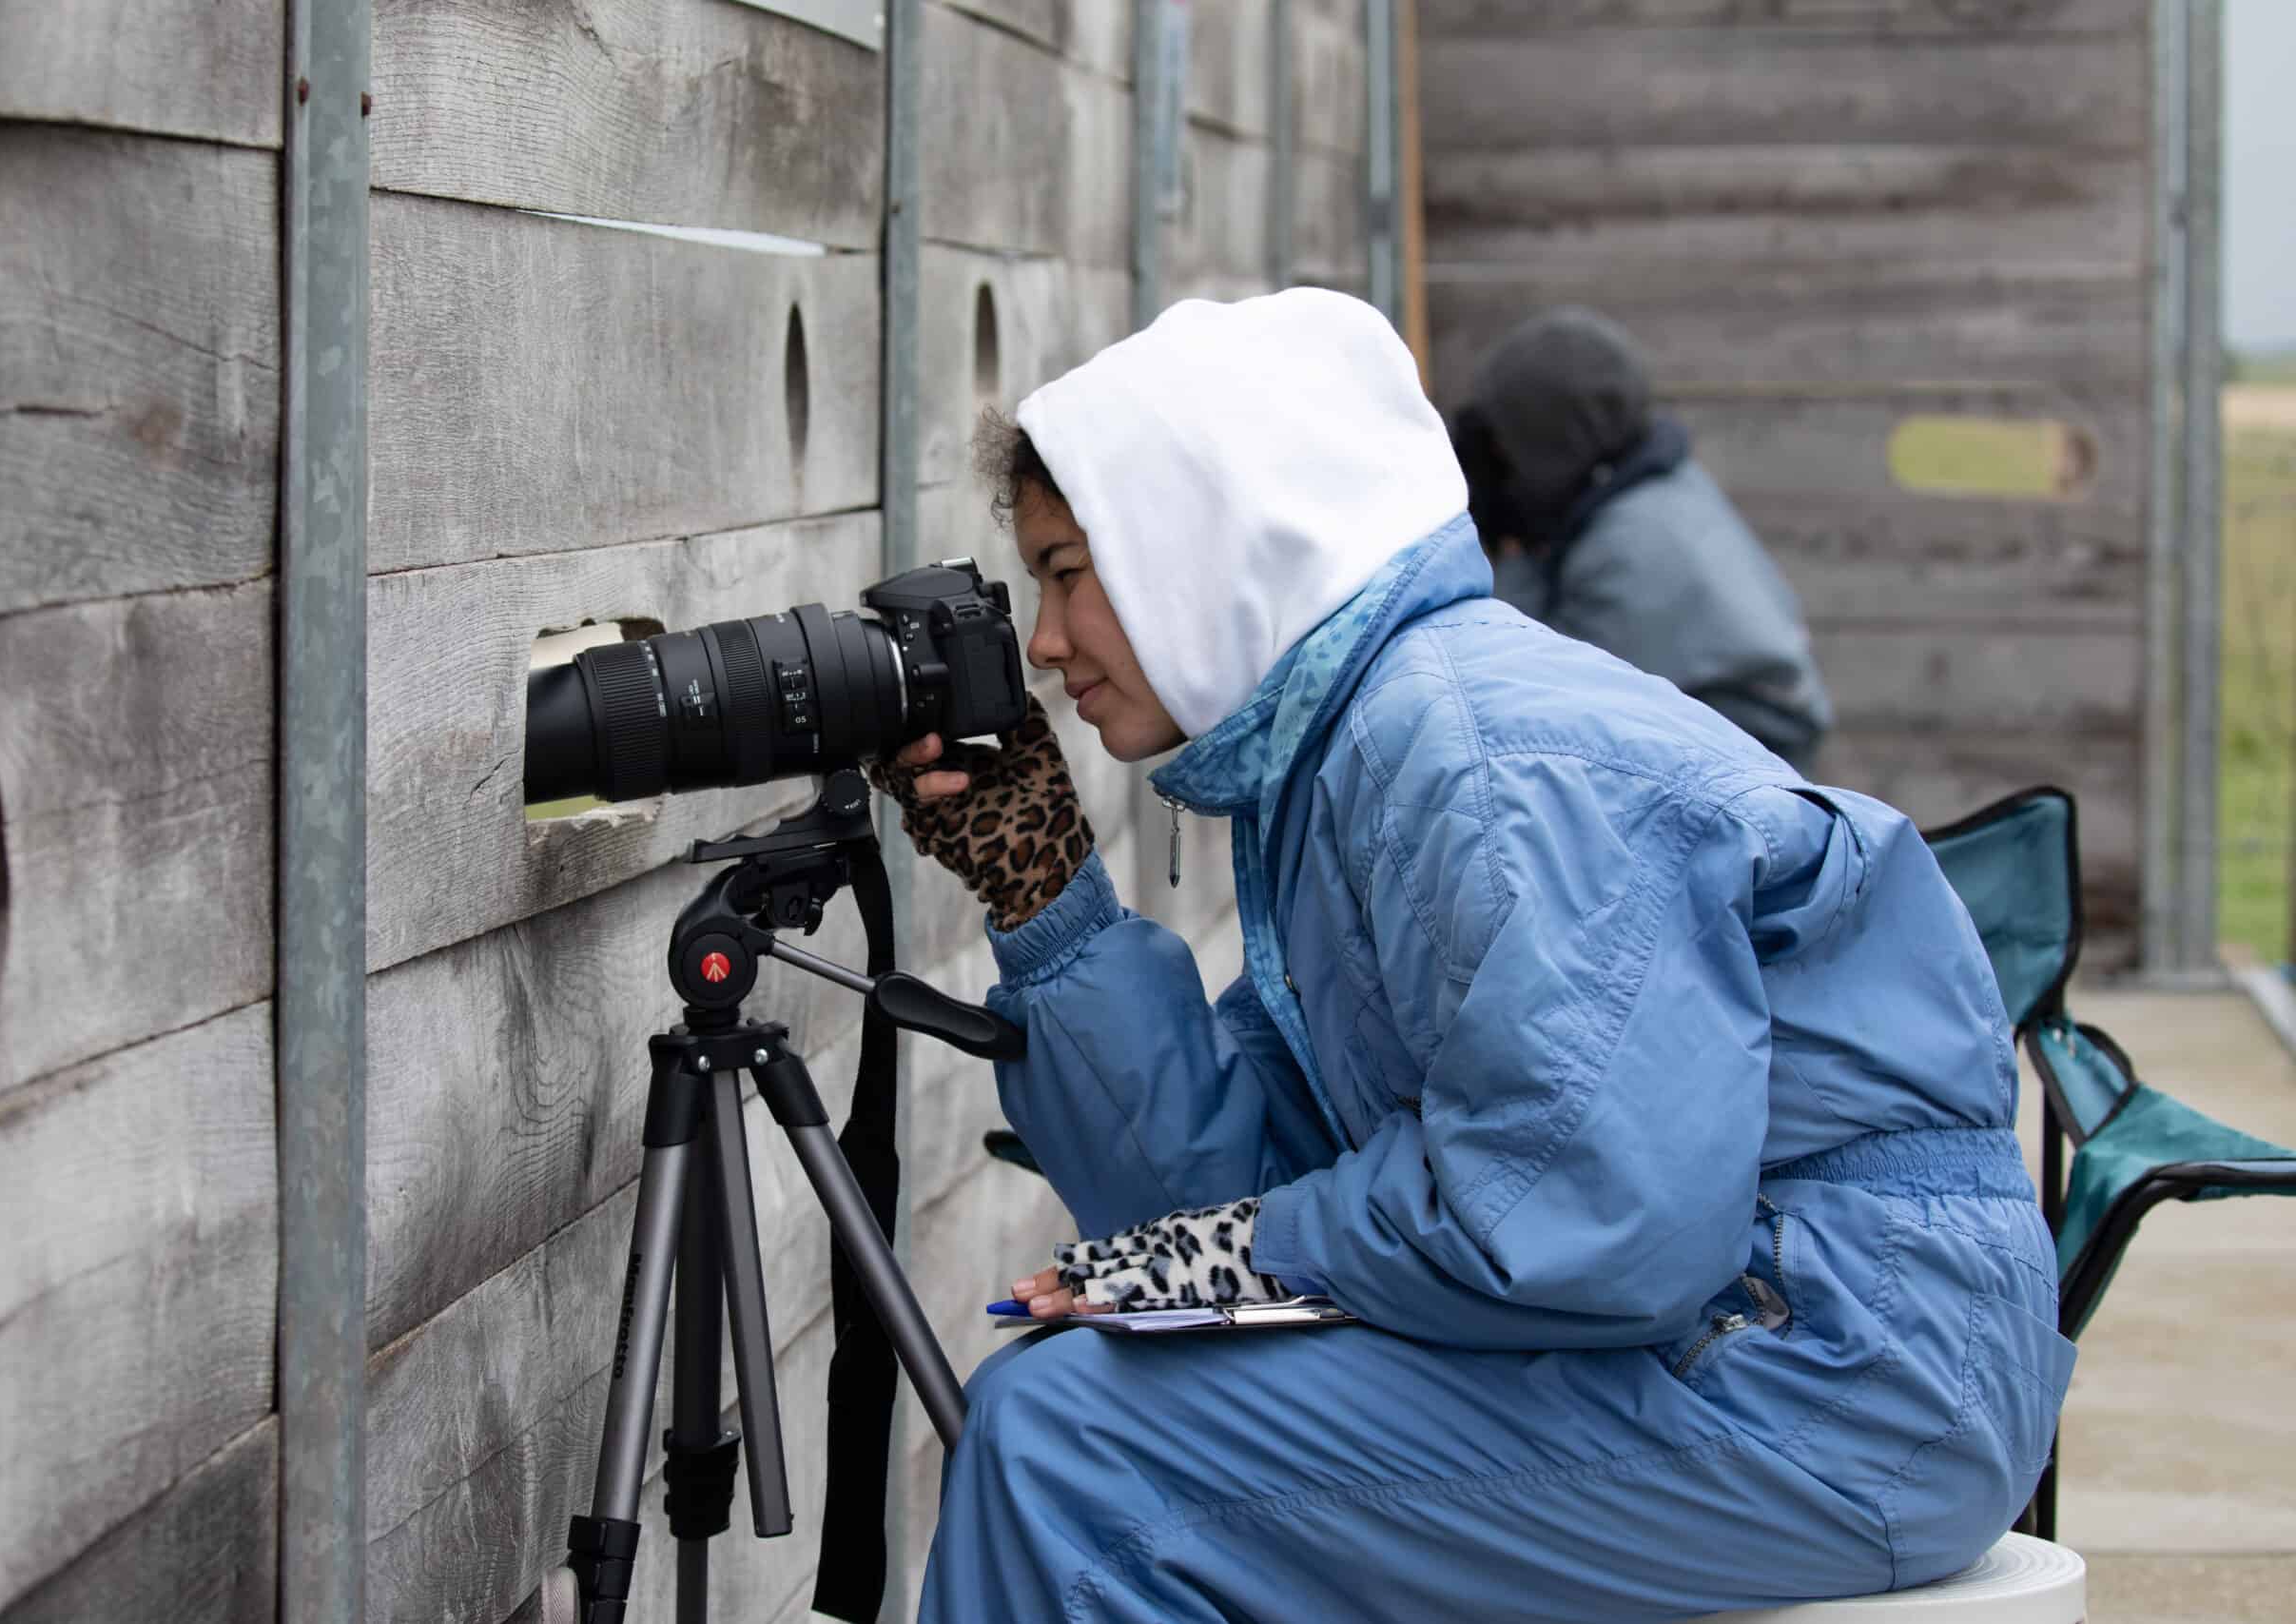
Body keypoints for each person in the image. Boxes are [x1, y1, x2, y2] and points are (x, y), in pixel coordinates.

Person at [868, 289, 2070, 1623]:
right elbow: (1215, 1191)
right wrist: (1051, 900)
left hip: (1840, 1372)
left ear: (1200, 543)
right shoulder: (1336, 773)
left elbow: (1580, 1217)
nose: (1044, 642)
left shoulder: (1476, 758)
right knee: (1080, 1402)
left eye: (1071, 573)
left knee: (1069, 1445)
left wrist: (1226, 1254)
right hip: (1738, 1333)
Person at [1449, 306, 1836, 773]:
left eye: (1505, 449)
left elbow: (1534, 691)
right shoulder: (1662, 488)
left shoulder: (1627, 545)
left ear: (1547, 445)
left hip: (1748, 762)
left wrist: (1503, 554)